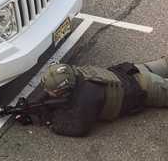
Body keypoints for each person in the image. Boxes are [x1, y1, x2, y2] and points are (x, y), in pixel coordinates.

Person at [39, 56, 168, 137]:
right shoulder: (74, 72)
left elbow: (78, 128)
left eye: (52, 91)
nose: (47, 92)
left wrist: (50, 121)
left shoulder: (86, 97)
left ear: (64, 89)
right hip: (131, 71)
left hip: (146, 86)